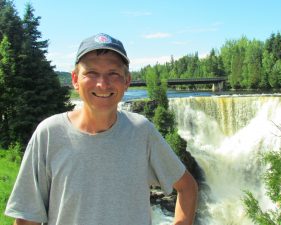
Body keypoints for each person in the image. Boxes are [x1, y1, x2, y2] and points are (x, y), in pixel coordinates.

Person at [5, 33, 198, 225]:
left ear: (127, 81)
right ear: (75, 79)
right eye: (91, 73)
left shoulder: (141, 131)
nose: (103, 84)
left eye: (113, 73)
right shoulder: (48, 134)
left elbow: (188, 187)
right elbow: (27, 218)